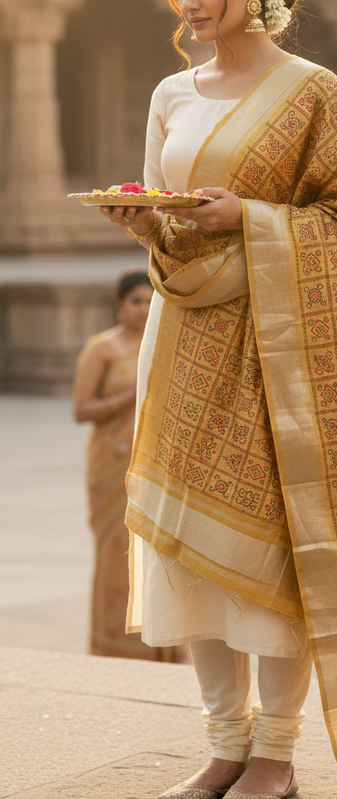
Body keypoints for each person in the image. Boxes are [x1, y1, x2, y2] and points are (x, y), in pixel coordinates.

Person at [97, 0, 337, 799]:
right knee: (188, 555)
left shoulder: (313, 92)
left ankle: (274, 754)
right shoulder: (173, 93)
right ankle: (220, 745)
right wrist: (147, 223)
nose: (191, 0)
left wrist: (246, 217)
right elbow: (169, 212)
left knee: (274, 555)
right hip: (186, 335)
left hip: (283, 359)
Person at [74, 270, 188, 663]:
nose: (142, 309)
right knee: (117, 555)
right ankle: (118, 647)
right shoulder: (101, 348)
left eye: (148, 300)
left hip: (158, 465)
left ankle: (166, 647)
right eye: (135, 301)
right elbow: (81, 409)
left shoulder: (165, 341)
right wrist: (129, 396)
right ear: (119, 305)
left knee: (159, 554)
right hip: (112, 469)